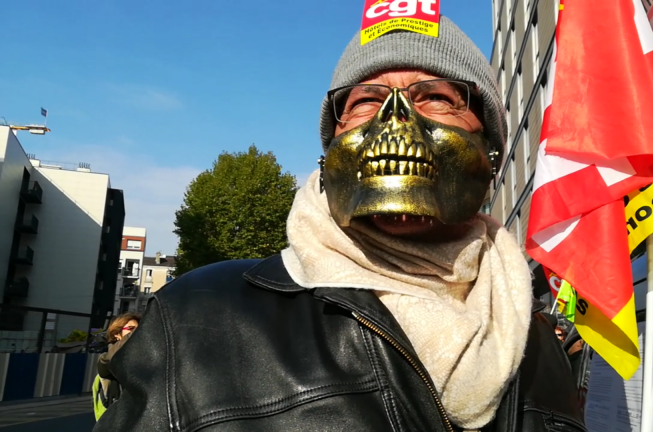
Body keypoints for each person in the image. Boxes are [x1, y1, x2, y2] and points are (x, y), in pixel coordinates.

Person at [94, 15, 586, 432]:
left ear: (492, 149)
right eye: (366, 101)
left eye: (436, 97)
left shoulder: (535, 340)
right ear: (330, 149)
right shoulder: (194, 319)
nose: (395, 120)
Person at [93, 312, 140, 420]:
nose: (137, 332)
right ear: (117, 334)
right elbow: (109, 359)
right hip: (117, 421)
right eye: (131, 328)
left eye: (139, 329)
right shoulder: (106, 358)